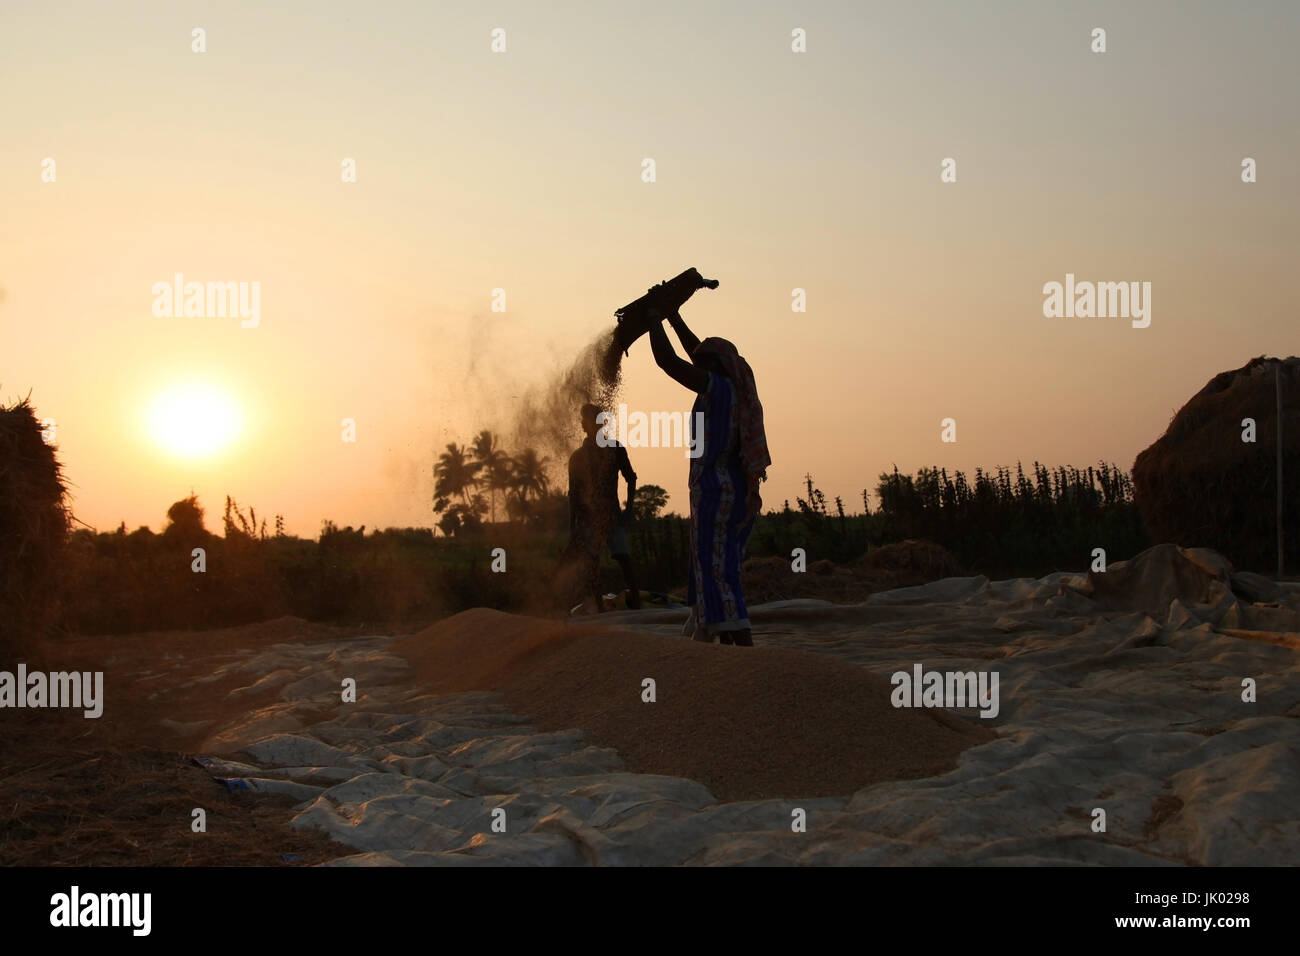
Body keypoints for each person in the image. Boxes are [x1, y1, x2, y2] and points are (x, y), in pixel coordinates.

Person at [647, 308, 769, 645]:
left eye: (704, 361)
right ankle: (724, 641)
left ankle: (738, 642)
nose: (697, 363)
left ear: (715, 366)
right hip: (733, 490)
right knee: (718, 563)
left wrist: (651, 320)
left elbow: (669, 361)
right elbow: (694, 351)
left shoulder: (717, 388)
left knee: (715, 569)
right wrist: (671, 316)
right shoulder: (732, 389)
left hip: (716, 490)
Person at [567, 403, 642, 612]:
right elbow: (573, 495)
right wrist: (573, 526)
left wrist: (629, 509)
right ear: (584, 426)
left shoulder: (615, 449)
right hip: (588, 519)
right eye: (586, 420)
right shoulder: (577, 458)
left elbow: (631, 478)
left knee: (624, 557)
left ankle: (636, 603)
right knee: (592, 563)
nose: (590, 424)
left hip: (612, 515)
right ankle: (600, 606)